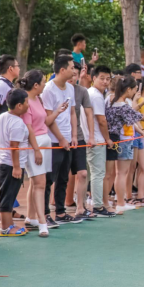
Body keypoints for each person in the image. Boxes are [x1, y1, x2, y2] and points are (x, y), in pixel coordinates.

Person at [42, 55, 82, 226]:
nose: (75, 71)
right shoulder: (48, 89)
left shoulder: (71, 88)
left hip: (68, 140)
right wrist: (60, 139)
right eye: (72, 67)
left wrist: (73, 136)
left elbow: (72, 113)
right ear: (62, 69)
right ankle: (44, 213)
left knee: (64, 177)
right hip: (53, 141)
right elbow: (48, 119)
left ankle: (60, 211)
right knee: (49, 178)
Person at [19, 70, 52, 237]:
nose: (45, 84)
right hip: (35, 145)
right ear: (36, 84)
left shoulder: (38, 98)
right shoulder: (26, 100)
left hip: (43, 143)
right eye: (43, 82)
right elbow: (28, 128)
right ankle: (42, 222)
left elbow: (43, 121)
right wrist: (37, 150)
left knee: (36, 182)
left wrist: (58, 112)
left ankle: (31, 217)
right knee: (40, 184)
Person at [81, 65, 117, 217]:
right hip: (96, 139)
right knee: (98, 173)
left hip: (89, 138)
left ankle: (84, 206)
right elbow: (101, 120)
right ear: (93, 78)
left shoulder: (90, 92)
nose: (105, 81)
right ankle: (97, 206)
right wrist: (108, 139)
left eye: (108, 79)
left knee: (88, 174)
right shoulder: (95, 95)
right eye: (101, 78)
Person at [106, 76, 144, 212]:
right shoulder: (122, 105)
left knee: (118, 173)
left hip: (117, 138)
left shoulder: (111, 102)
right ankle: (121, 202)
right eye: (134, 89)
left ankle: (119, 201)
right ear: (128, 89)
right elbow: (141, 117)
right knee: (122, 173)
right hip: (124, 140)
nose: (134, 92)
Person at [0, 89, 29, 237]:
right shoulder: (17, 123)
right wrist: (16, 167)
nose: (28, 105)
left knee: (5, 194)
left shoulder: (2, 116)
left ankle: (8, 225)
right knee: (8, 195)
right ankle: (6, 228)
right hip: (10, 164)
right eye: (27, 102)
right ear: (19, 106)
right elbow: (14, 146)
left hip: (1, 162)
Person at [0, 54, 20, 223]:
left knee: (4, 173)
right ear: (10, 68)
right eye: (16, 65)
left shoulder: (8, 85)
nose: (18, 68)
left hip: (5, 136)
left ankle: (6, 208)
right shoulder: (0, 87)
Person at [66, 62, 96, 220]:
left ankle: (80, 207)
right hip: (61, 139)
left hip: (79, 138)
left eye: (75, 75)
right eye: (71, 74)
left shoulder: (82, 91)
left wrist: (91, 136)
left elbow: (89, 113)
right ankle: (57, 210)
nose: (72, 77)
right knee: (60, 176)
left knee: (83, 173)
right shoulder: (55, 90)